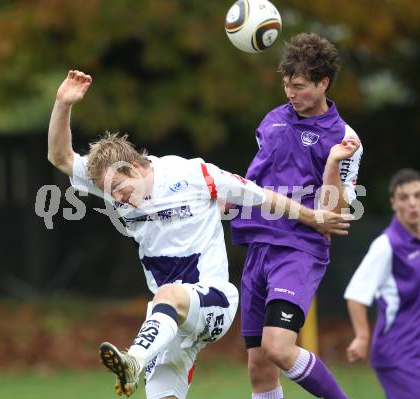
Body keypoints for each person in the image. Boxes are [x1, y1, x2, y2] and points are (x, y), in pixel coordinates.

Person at [47, 70, 353, 399]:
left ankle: (133, 360)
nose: (116, 199)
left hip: (213, 300)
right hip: (167, 325)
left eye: (120, 189)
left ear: (135, 167)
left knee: (167, 294)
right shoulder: (110, 182)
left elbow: (264, 198)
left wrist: (314, 217)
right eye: (111, 193)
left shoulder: (193, 173)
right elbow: (61, 158)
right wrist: (62, 103)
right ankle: (138, 360)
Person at [230, 32, 363, 399]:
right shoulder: (272, 120)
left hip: (297, 251)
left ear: (323, 83)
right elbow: (255, 183)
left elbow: (333, 215)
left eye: (300, 86)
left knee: (279, 347)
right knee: (259, 368)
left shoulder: (343, 137)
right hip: (259, 247)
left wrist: (334, 163)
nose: (291, 93)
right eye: (287, 85)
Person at [344, 168, 420, 399]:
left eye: (417, 196)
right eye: (404, 198)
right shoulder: (387, 245)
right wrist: (362, 337)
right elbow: (356, 293)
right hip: (398, 353)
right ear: (393, 203)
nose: (412, 203)